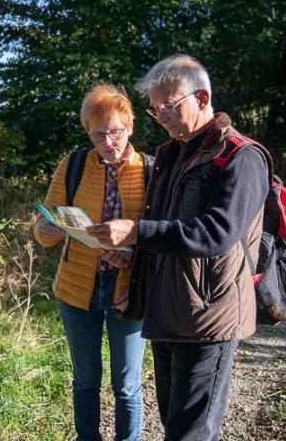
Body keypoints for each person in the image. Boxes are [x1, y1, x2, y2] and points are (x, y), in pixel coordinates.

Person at [86, 54, 269, 440]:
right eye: (155, 110)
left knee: (190, 433)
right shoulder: (172, 153)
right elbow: (161, 231)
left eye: (168, 107)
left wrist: (135, 231)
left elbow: (215, 233)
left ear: (201, 99)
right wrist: (133, 284)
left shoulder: (242, 157)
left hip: (208, 318)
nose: (161, 117)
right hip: (167, 311)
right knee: (175, 425)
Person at [33, 84, 151, 441]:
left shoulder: (151, 170)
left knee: (126, 384)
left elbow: (160, 236)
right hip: (76, 288)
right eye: (97, 135)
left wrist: (130, 254)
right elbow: (47, 223)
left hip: (128, 291)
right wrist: (46, 231)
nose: (107, 142)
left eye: (114, 131)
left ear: (130, 126)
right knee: (85, 381)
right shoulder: (72, 165)